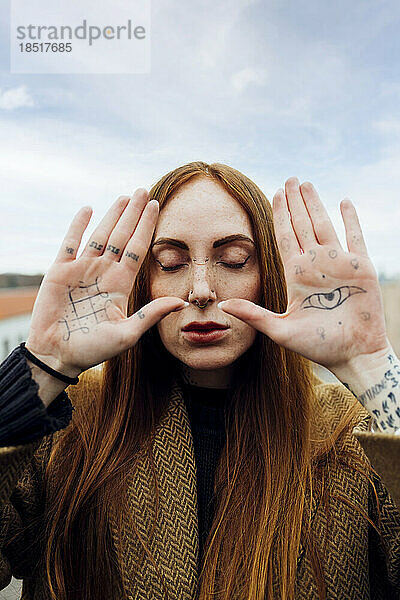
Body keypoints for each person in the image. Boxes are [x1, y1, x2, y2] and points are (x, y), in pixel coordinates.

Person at [0, 161, 400, 600]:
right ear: (143, 281)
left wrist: (372, 366)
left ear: (271, 275)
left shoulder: (349, 433)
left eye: (235, 259)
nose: (201, 289)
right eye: (170, 263)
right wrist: (42, 365)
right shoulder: (73, 422)